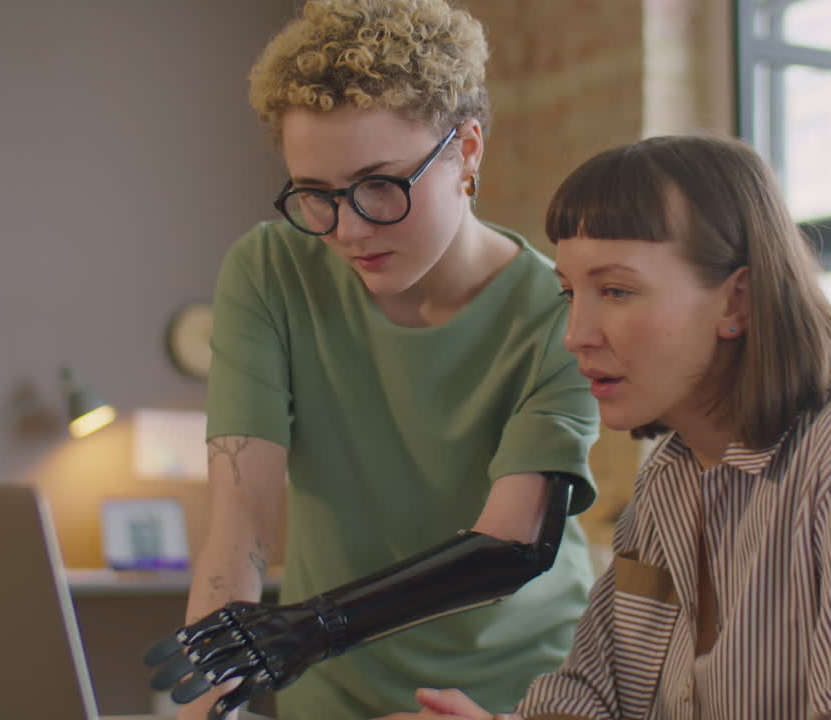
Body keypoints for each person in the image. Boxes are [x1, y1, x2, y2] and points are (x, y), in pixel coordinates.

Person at [377, 134, 831, 719]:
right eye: (569, 293)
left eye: (616, 291)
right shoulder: (670, 478)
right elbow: (591, 697)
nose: (576, 335)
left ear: (737, 301)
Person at [144, 2, 600, 719]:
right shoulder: (271, 272)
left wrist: (310, 629)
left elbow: (513, 543)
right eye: (315, 195)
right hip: (331, 691)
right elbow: (242, 521)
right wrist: (207, 706)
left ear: (467, 150)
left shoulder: (560, 311)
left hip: (516, 694)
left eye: (381, 184)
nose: (349, 230)